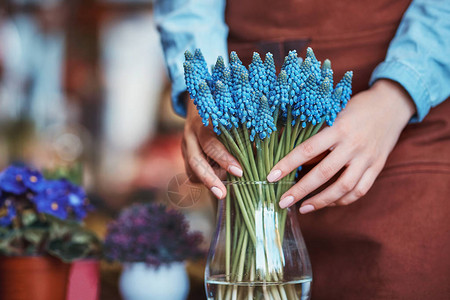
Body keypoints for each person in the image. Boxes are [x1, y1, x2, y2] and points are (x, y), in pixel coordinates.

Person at [154, 0, 450, 298]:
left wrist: (397, 95)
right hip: (240, 113)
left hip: (398, 117)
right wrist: (202, 94)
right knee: (245, 280)